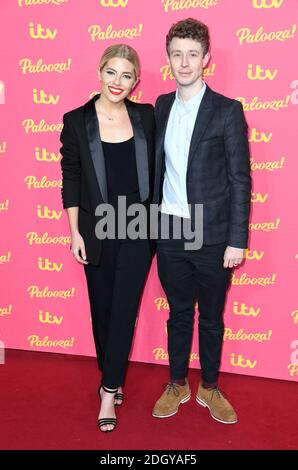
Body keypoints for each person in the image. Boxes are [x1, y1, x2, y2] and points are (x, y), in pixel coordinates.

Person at [152, 18, 251, 424]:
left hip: (212, 235)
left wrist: (236, 239)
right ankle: (177, 383)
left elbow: (240, 179)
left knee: (211, 315)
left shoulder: (227, 110)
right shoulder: (159, 106)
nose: (185, 62)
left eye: (193, 54)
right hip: (170, 230)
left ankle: (209, 386)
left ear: (206, 58)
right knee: (178, 313)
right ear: (169, 59)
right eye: (177, 54)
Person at [60, 44, 155, 432]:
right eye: (112, 72)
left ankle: (108, 390)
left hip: (137, 225)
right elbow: (70, 177)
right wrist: (74, 233)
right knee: (102, 309)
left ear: (136, 80)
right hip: (96, 228)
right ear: (100, 72)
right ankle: (110, 373)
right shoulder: (76, 120)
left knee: (125, 308)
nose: (118, 82)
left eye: (127, 75)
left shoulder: (146, 116)